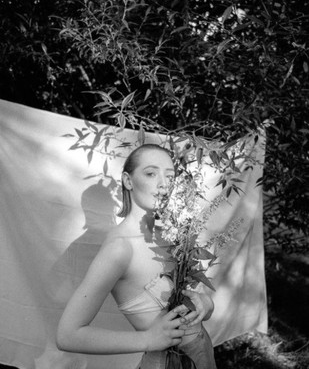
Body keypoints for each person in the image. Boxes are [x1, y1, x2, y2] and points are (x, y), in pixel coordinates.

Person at [56, 144, 217, 368]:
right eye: (150, 173)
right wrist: (147, 339)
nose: (163, 184)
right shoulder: (120, 248)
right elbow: (67, 335)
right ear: (128, 180)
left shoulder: (172, 234)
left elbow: (199, 305)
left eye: (170, 176)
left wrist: (205, 305)